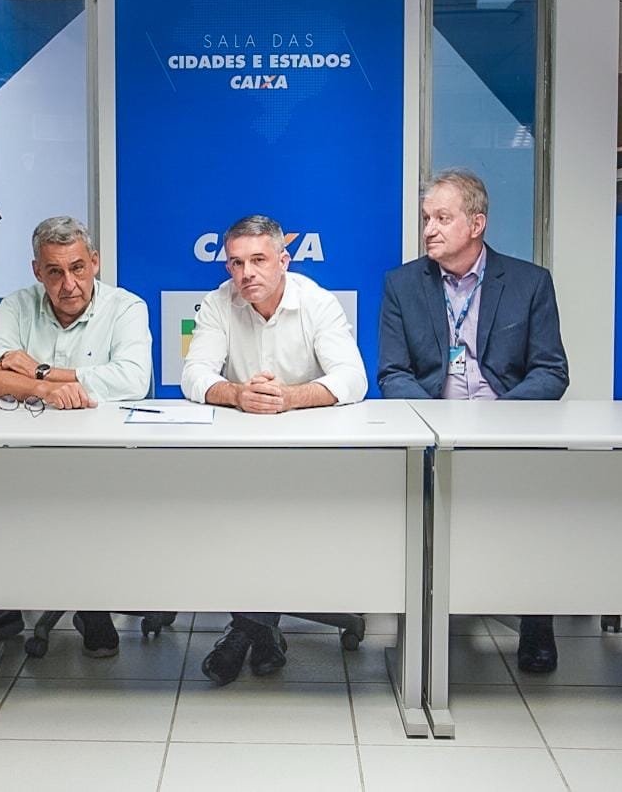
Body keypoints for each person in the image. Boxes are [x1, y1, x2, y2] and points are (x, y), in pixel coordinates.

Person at [377, 168, 569, 674]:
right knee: (415, 509)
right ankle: (420, 622)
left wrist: (498, 420)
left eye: (443, 218)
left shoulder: (530, 283)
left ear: (477, 223)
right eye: (426, 219)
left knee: (531, 518)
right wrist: (436, 424)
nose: (430, 230)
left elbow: (551, 372)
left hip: (509, 432)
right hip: (431, 434)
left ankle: (536, 623)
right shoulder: (402, 284)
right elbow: (393, 374)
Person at [182, 214, 366, 685]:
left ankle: (247, 632)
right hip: (239, 457)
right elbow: (194, 375)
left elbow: (352, 378)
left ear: (284, 260)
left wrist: (289, 397)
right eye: (236, 263)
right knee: (237, 517)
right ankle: (262, 632)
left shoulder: (317, 303)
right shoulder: (219, 302)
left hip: (310, 456)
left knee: (271, 518)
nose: (246, 274)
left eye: (259, 260)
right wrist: (238, 393)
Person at [0, 216, 152, 656]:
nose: (68, 283)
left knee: (87, 505)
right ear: (38, 272)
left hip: (104, 458)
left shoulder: (126, 307)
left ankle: (92, 609)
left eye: (78, 267)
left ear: (95, 262)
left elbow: (133, 380)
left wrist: (37, 369)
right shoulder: (18, 305)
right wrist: (47, 390)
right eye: (55, 272)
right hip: (25, 455)